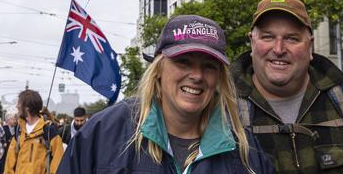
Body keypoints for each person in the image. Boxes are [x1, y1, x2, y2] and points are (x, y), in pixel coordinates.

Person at [58, 15, 274, 174]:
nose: (197, 76)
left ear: (219, 77)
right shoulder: (104, 134)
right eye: (183, 62)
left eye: (209, 66)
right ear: (159, 68)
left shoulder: (244, 149)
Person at [231, 0, 343, 174]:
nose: (279, 49)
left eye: (292, 38)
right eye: (268, 37)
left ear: (310, 45)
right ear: (252, 42)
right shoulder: (225, 112)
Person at [3, 89, 64, 174]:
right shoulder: (19, 130)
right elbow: (9, 164)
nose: (17, 106)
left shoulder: (49, 131)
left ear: (27, 108)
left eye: (19, 103)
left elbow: (58, 162)